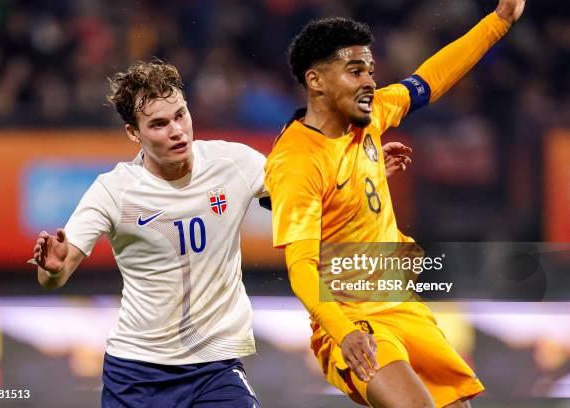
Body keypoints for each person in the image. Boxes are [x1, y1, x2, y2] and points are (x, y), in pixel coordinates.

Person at [31, 59, 411, 407]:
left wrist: (363, 177)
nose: (178, 131)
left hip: (214, 368)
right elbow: (56, 276)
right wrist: (51, 268)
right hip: (137, 375)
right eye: (159, 124)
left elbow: (307, 198)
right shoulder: (113, 191)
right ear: (133, 132)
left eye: (180, 115)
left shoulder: (235, 162)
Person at [264, 1, 525, 407]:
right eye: (355, 71)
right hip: (354, 317)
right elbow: (300, 267)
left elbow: (431, 78)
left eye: (370, 70)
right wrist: (344, 331)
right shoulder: (297, 161)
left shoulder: (371, 116)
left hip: (401, 303)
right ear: (315, 81)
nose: (369, 81)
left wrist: (499, 21)